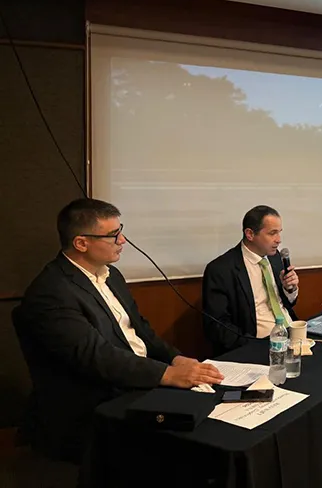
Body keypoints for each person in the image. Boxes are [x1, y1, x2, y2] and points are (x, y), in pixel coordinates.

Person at [14, 198, 224, 463]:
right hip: (97, 397)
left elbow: (141, 331)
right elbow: (97, 357)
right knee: (198, 443)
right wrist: (168, 374)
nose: (122, 240)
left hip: (137, 377)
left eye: (120, 231)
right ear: (81, 243)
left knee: (218, 409)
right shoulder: (51, 292)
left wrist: (175, 358)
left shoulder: (111, 275)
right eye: (113, 235)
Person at [202, 205, 300, 356]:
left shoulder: (275, 258)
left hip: (290, 335)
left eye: (279, 232)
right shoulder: (221, 269)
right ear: (250, 234)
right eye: (272, 233)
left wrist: (290, 289)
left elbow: (286, 303)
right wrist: (253, 346)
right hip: (257, 344)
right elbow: (217, 326)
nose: (279, 240)